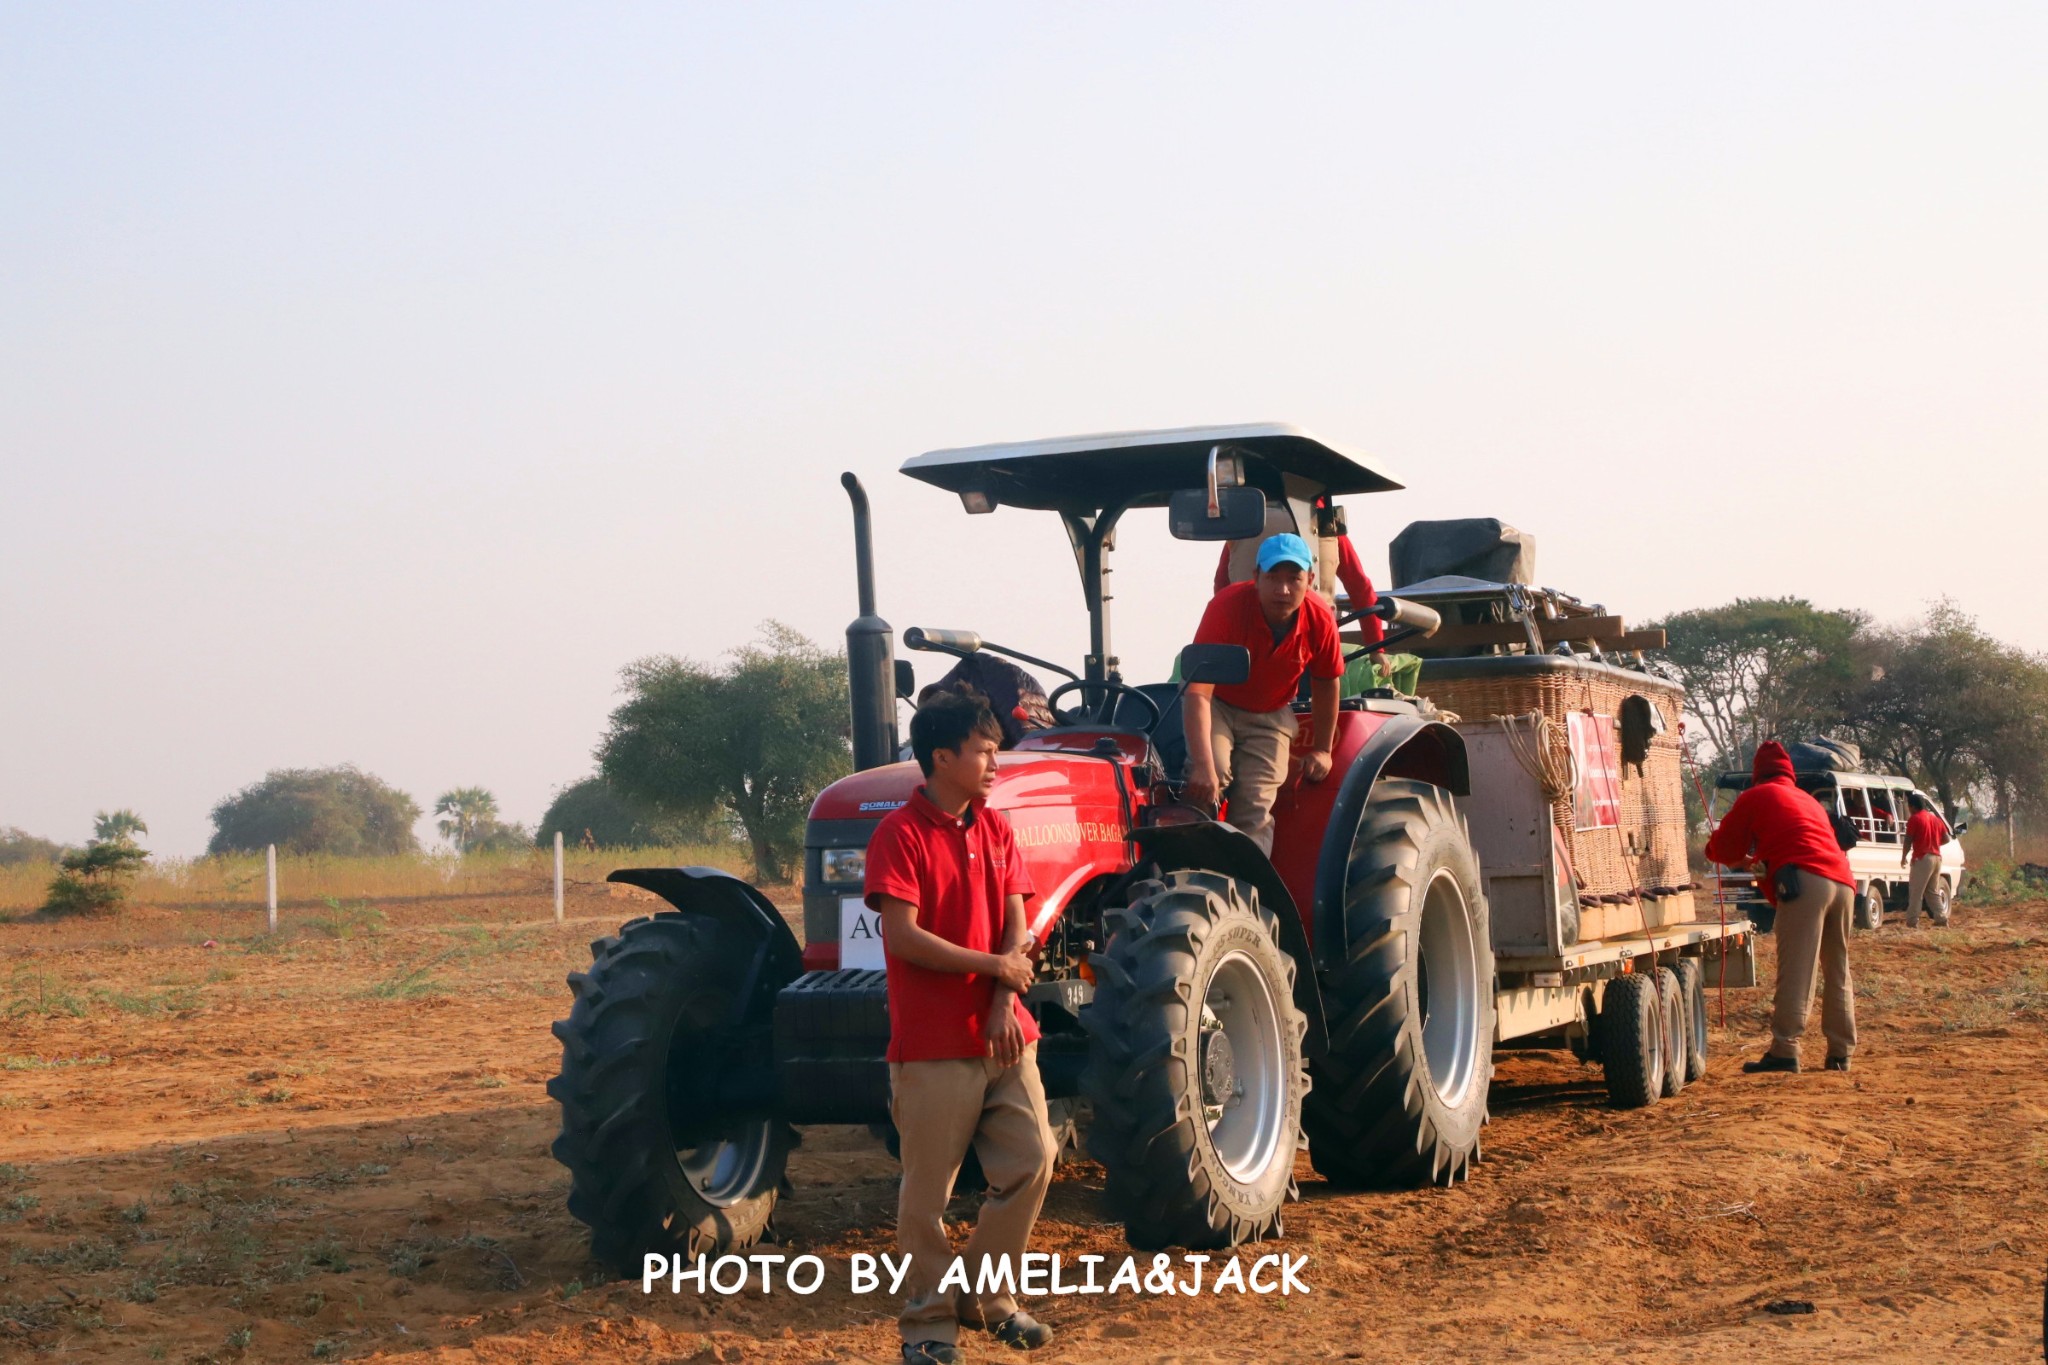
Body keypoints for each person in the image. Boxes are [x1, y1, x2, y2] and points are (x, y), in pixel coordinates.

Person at [862, 690, 1057, 1365]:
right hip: (933, 1043)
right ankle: (927, 1324)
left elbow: (1017, 923)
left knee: (1034, 1161)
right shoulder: (900, 835)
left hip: (1006, 1033)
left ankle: (986, 1295)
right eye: (983, 749)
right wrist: (996, 965)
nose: (995, 760)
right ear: (942, 757)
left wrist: (1005, 993)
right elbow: (904, 937)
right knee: (927, 1197)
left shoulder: (997, 828)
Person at [1183, 533, 1345, 854]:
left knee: (1256, 804)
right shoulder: (1226, 608)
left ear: (1310, 580)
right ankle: (1191, 865)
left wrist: (1324, 750)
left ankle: (1248, 891)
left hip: (1271, 714)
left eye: (1294, 579)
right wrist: (1203, 766)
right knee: (1210, 775)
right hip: (1218, 704)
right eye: (1273, 577)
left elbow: (1327, 681)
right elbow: (1198, 693)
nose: (1283, 590)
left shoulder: (1320, 619)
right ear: (1256, 577)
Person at [1705, 740, 1858, 1073]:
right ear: (1789, 773)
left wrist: (1733, 856)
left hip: (1806, 882)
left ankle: (1785, 1049)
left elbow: (1721, 847)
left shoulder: (1756, 796)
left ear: (1758, 774)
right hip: (1843, 882)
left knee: (1797, 970)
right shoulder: (1807, 799)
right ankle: (1840, 1052)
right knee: (1837, 969)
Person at [1901, 792, 1952, 928]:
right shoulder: (1935, 819)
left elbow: (1908, 840)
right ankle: (1941, 918)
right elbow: (1947, 838)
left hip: (1923, 858)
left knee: (1916, 891)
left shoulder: (1915, 819)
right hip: (1936, 857)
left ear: (1912, 806)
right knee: (1932, 891)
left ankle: (1912, 921)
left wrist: (1903, 856)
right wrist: (1933, 843)